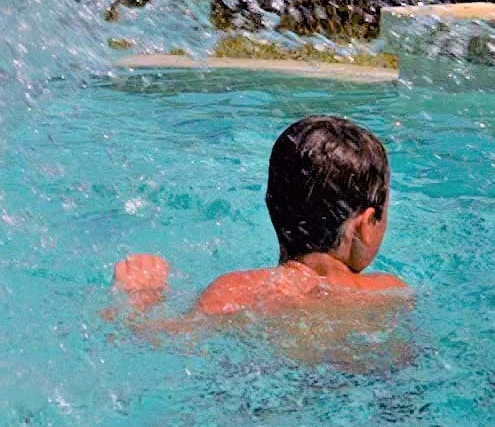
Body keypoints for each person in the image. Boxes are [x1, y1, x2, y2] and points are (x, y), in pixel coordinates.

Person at [112, 115, 407, 321]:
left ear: (271, 206)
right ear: (366, 224)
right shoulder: (388, 294)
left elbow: (164, 340)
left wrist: (141, 297)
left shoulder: (238, 291)